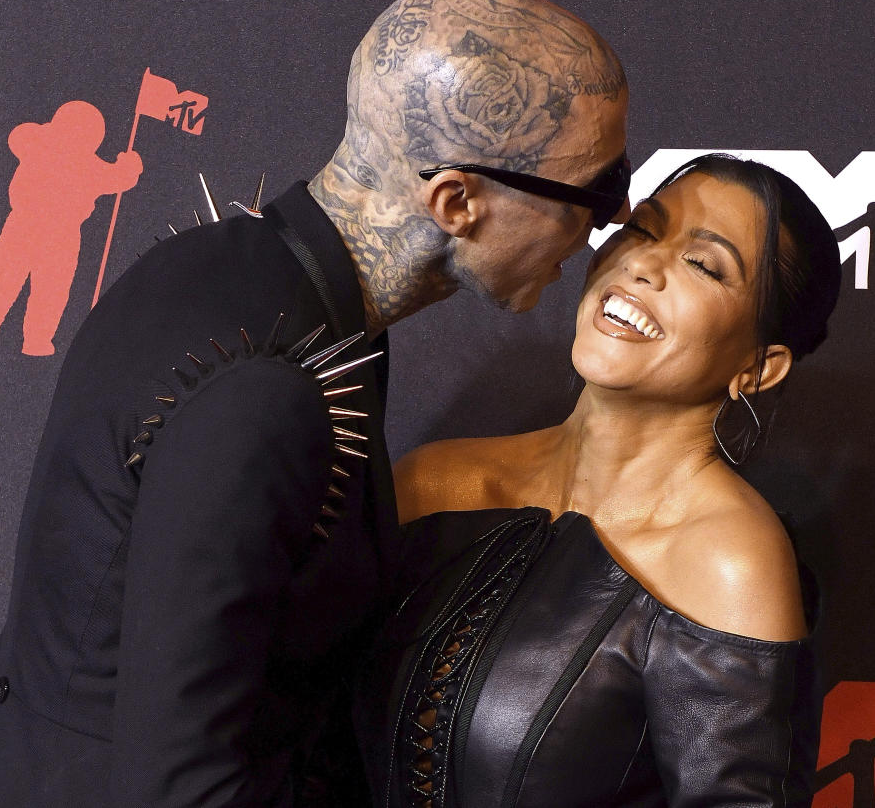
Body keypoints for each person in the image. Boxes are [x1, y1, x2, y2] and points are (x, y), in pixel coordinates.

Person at [0, 0, 629, 808]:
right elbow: (181, 785)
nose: (605, 226)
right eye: (593, 192)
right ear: (456, 201)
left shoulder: (231, 271)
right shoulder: (268, 388)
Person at [355, 154, 842, 808]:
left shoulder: (728, 561)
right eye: (642, 230)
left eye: (703, 264)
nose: (642, 264)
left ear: (758, 366)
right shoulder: (434, 481)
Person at [0, 100, 144, 356]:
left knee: (43, 288)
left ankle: (16, 333)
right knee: (23, 281)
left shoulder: (59, 153)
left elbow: (118, 178)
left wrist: (129, 168)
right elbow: (19, 136)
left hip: (52, 231)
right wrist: (129, 167)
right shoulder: (49, 149)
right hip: (36, 226)